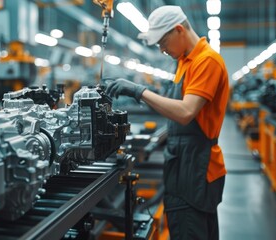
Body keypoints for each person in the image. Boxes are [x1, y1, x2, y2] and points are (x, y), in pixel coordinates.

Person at [106, 5, 229, 240]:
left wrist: (139, 91)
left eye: (163, 42)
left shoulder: (206, 61)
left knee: (190, 230)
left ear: (179, 30)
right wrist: (152, 94)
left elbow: (185, 112)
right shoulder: (185, 60)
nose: (162, 50)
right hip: (182, 164)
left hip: (196, 169)